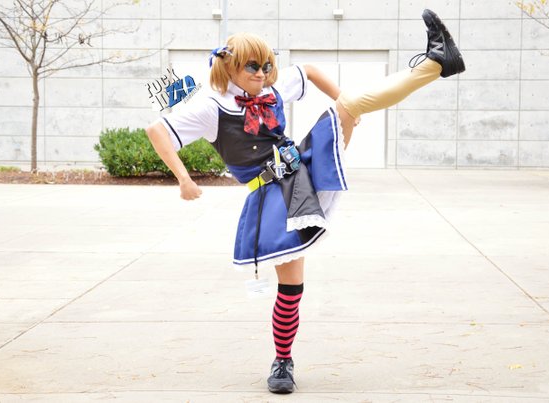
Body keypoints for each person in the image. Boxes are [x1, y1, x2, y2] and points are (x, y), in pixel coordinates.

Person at [145, 9, 464, 394]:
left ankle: (435, 63)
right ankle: (283, 360)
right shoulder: (213, 106)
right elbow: (157, 130)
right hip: (272, 195)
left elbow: (309, 71)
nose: (261, 73)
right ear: (229, 67)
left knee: (352, 104)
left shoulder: (271, 89)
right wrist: (184, 180)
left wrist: (341, 99)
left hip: (302, 166)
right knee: (292, 287)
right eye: (251, 66)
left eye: (266, 65)